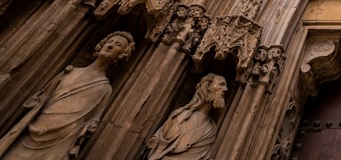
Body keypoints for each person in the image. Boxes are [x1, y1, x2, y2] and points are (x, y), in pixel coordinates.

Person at [0, 31, 135, 159]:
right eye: (109, 41)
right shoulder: (70, 72)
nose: (110, 45)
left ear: (122, 54)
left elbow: (93, 119)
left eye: (118, 45)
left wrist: (90, 125)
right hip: (33, 130)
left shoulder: (105, 88)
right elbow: (41, 98)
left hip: (62, 139)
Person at [146, 73, 227, 160]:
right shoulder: (180, 117)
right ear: (207, 86)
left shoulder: (211, 129)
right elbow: (157, 146)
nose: (225, 89)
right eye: (221, 84)